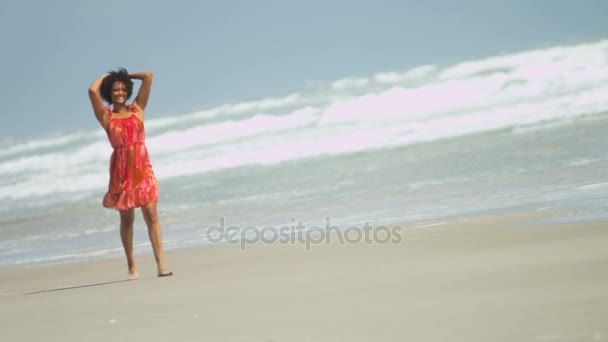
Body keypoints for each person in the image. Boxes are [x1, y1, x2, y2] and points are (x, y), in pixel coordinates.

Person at [88, 68, 172, 279]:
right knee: (127, 220)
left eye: (124, 89)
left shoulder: (137, 108)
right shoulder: (106, 116)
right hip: (122, 171)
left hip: (143, 168)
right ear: (110, 92)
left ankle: (161, 265)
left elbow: (149, 76)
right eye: (116, 89)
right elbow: (91, 90)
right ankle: (131, 265)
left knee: (151, 214)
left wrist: (126, 76)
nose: (120, 93)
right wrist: (107, 78)